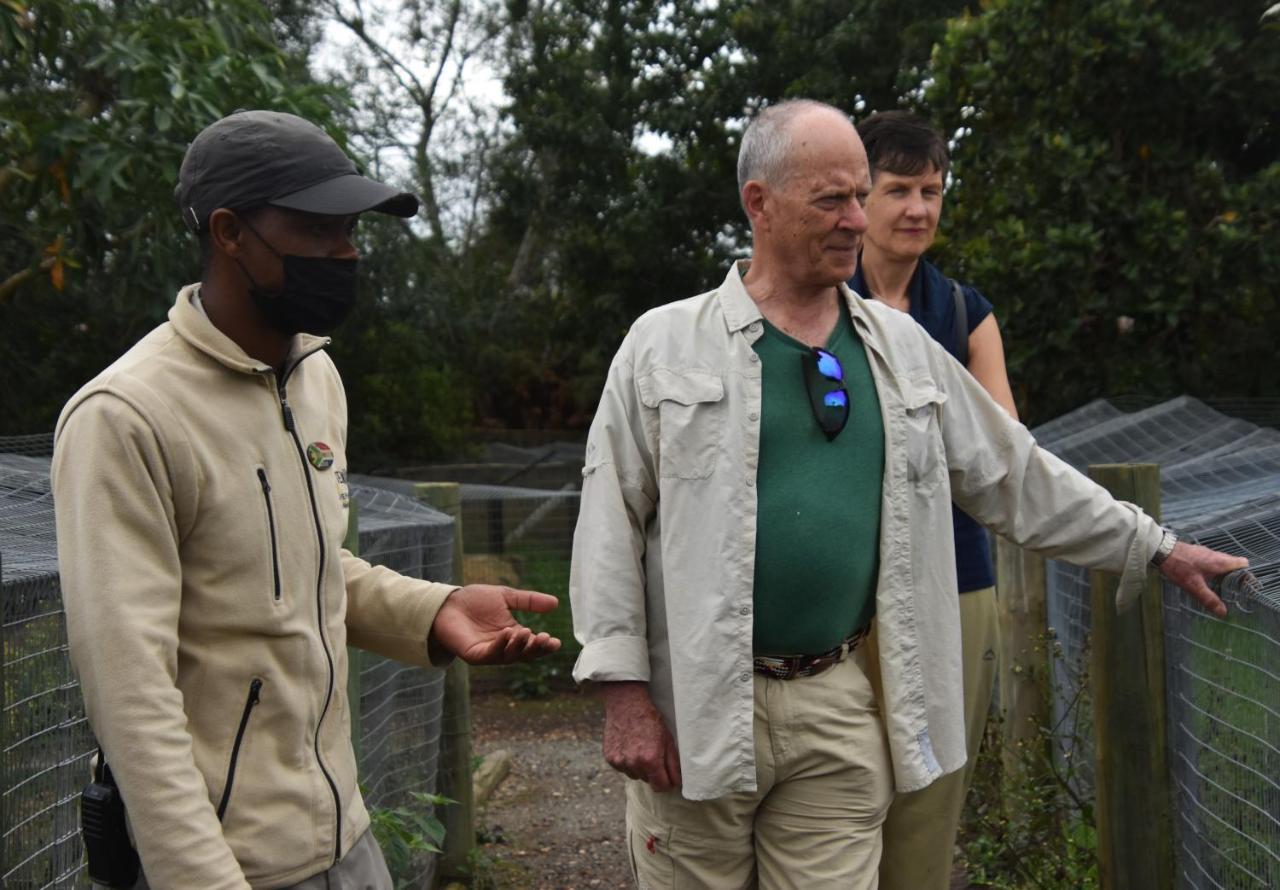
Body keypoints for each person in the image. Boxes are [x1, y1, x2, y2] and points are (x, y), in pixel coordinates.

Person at [568, 98, 1246, 889]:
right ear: (759, 203)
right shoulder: (662, 344)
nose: (858, 219)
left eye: (861, 195)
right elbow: (608, 516)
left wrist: (1155, 547)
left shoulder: (905, 352)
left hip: (836, 705)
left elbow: (1016, 475)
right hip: (697, 705)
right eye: (832, 199)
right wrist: (624, 693)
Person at [51, 109, 561, 890]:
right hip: (224, 865)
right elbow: (129, 693)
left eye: (352, 229)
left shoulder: (316, 376)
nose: (347, 252)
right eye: (320, 229)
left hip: (345, 841)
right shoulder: (124, 417)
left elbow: (304, 568)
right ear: (229, 232)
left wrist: (433, 609)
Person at [849, 110, 1014, 890]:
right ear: (860, 195)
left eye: (933, 190)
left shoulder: (964, 313)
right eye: (899, 189)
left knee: (934, 782)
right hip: (843, 583)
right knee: (840, 776)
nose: (918, 207)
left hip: (957, 574)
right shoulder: (815, 302)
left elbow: (1002, 447)